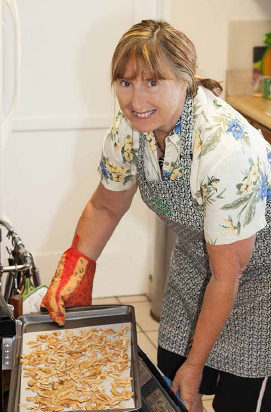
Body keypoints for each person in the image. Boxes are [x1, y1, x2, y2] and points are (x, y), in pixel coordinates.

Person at [41, 20, 271, 412]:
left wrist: (195, 366)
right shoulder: (132, 126)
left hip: (258, 284)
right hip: (197, 265)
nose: (135, 99)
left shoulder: (226, 148)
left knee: (236, 402)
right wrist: (77, 265)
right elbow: (105, 205)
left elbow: (227, 275)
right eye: (125, 83)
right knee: (168, 388)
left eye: (152, 82)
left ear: (184, 80)